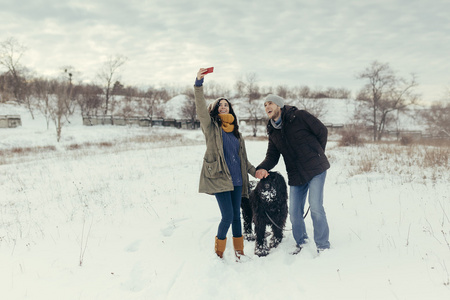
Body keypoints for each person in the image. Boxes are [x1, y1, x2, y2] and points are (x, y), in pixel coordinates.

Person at [194, 68, 259, 259]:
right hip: (220, 177)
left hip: (237, 179)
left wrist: (256, 172)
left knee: (237, 217)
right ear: (215, 109)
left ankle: (239, 251)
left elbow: (243, 161)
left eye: (226, 105)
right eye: (220, 105)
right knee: (228, 216)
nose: (223, 107)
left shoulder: (236, 133)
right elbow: (199, 107)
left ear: (230, 109)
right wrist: (198, 83)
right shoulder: (210, 127)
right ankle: (219, 252)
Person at [255, 94, 331, 253]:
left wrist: (317, 154)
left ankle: (323, 246)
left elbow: (322, 131)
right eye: (265, 105)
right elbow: (272, 156)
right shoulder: (272, 130)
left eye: (270, 103)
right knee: (294, 213)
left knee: (316, 206)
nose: (267, 107)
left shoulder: (300, 116)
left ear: (279, 106)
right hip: (296, 175)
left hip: (315, 169)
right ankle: (302, 242)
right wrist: (261, 168)